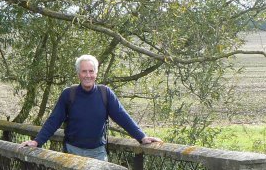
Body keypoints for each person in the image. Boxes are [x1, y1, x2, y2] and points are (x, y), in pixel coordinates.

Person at [20, 54, 162, 161]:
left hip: (98, 153)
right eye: (84, 72)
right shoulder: (68, 94)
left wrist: (142, 137)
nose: (88, 75)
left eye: (91, 71)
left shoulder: (105, 94)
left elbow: (122, 116)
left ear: (96, 73)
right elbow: (54, 121)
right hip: (72, 152)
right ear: (78, 74)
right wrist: (37, 141)